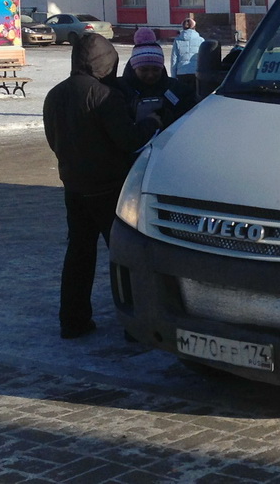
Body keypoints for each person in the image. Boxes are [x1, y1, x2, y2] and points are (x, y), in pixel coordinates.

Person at [43, 33, 159, 339]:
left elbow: (53, 140)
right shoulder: (105, 95)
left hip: (74, 185)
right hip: (108, 188)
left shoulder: (54, 94)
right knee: (125, 255)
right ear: (107, 61)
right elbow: (129, 140)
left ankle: (73, 319)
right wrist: (152, 122)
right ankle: (134, 326)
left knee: (79, 253)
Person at [121, 27, 196, 130]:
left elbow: (189, 118)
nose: (150, 75)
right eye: (144, 70)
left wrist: (168, 116)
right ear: (134, 68)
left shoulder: (177, 90)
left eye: (156, 69)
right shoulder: (119, 91)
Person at [170, 17, 204, 90]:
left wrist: (173, 76)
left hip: (181, 73)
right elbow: (204, 59)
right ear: (194, 27)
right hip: (196, 72)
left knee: (183, 97)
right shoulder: (201, 40)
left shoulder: (177, 40)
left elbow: (174, 59)